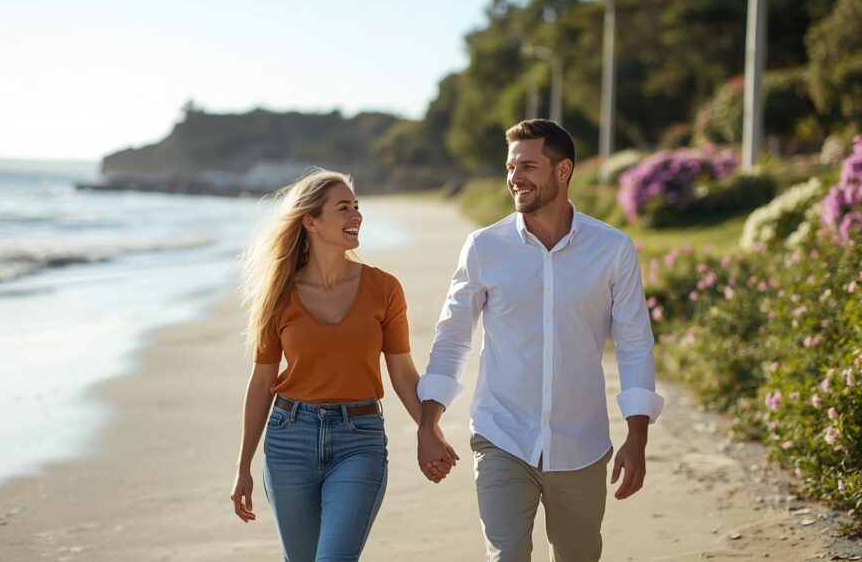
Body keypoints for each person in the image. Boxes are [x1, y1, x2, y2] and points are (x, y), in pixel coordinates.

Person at [416, 119, 666, 561]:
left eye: (528, 166)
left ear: (563, 170)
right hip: (501, 436)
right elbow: (453, 336)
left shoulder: (612, 249)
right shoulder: (483, 247)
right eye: (511, 167)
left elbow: (633, 343)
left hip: (581, 445)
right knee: (506, 555)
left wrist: (637, 438)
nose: (515, 178)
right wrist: (428, 422)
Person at [230, 169, 455, 561]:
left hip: (359, 439)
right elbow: (262, 379)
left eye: (356, 207)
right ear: (310, 221)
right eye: (343, 208)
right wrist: (243, 464)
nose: (356, 216)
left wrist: (427, 427)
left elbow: (402, 371)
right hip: (288, 439)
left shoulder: (383, 288)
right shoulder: (279, 294)